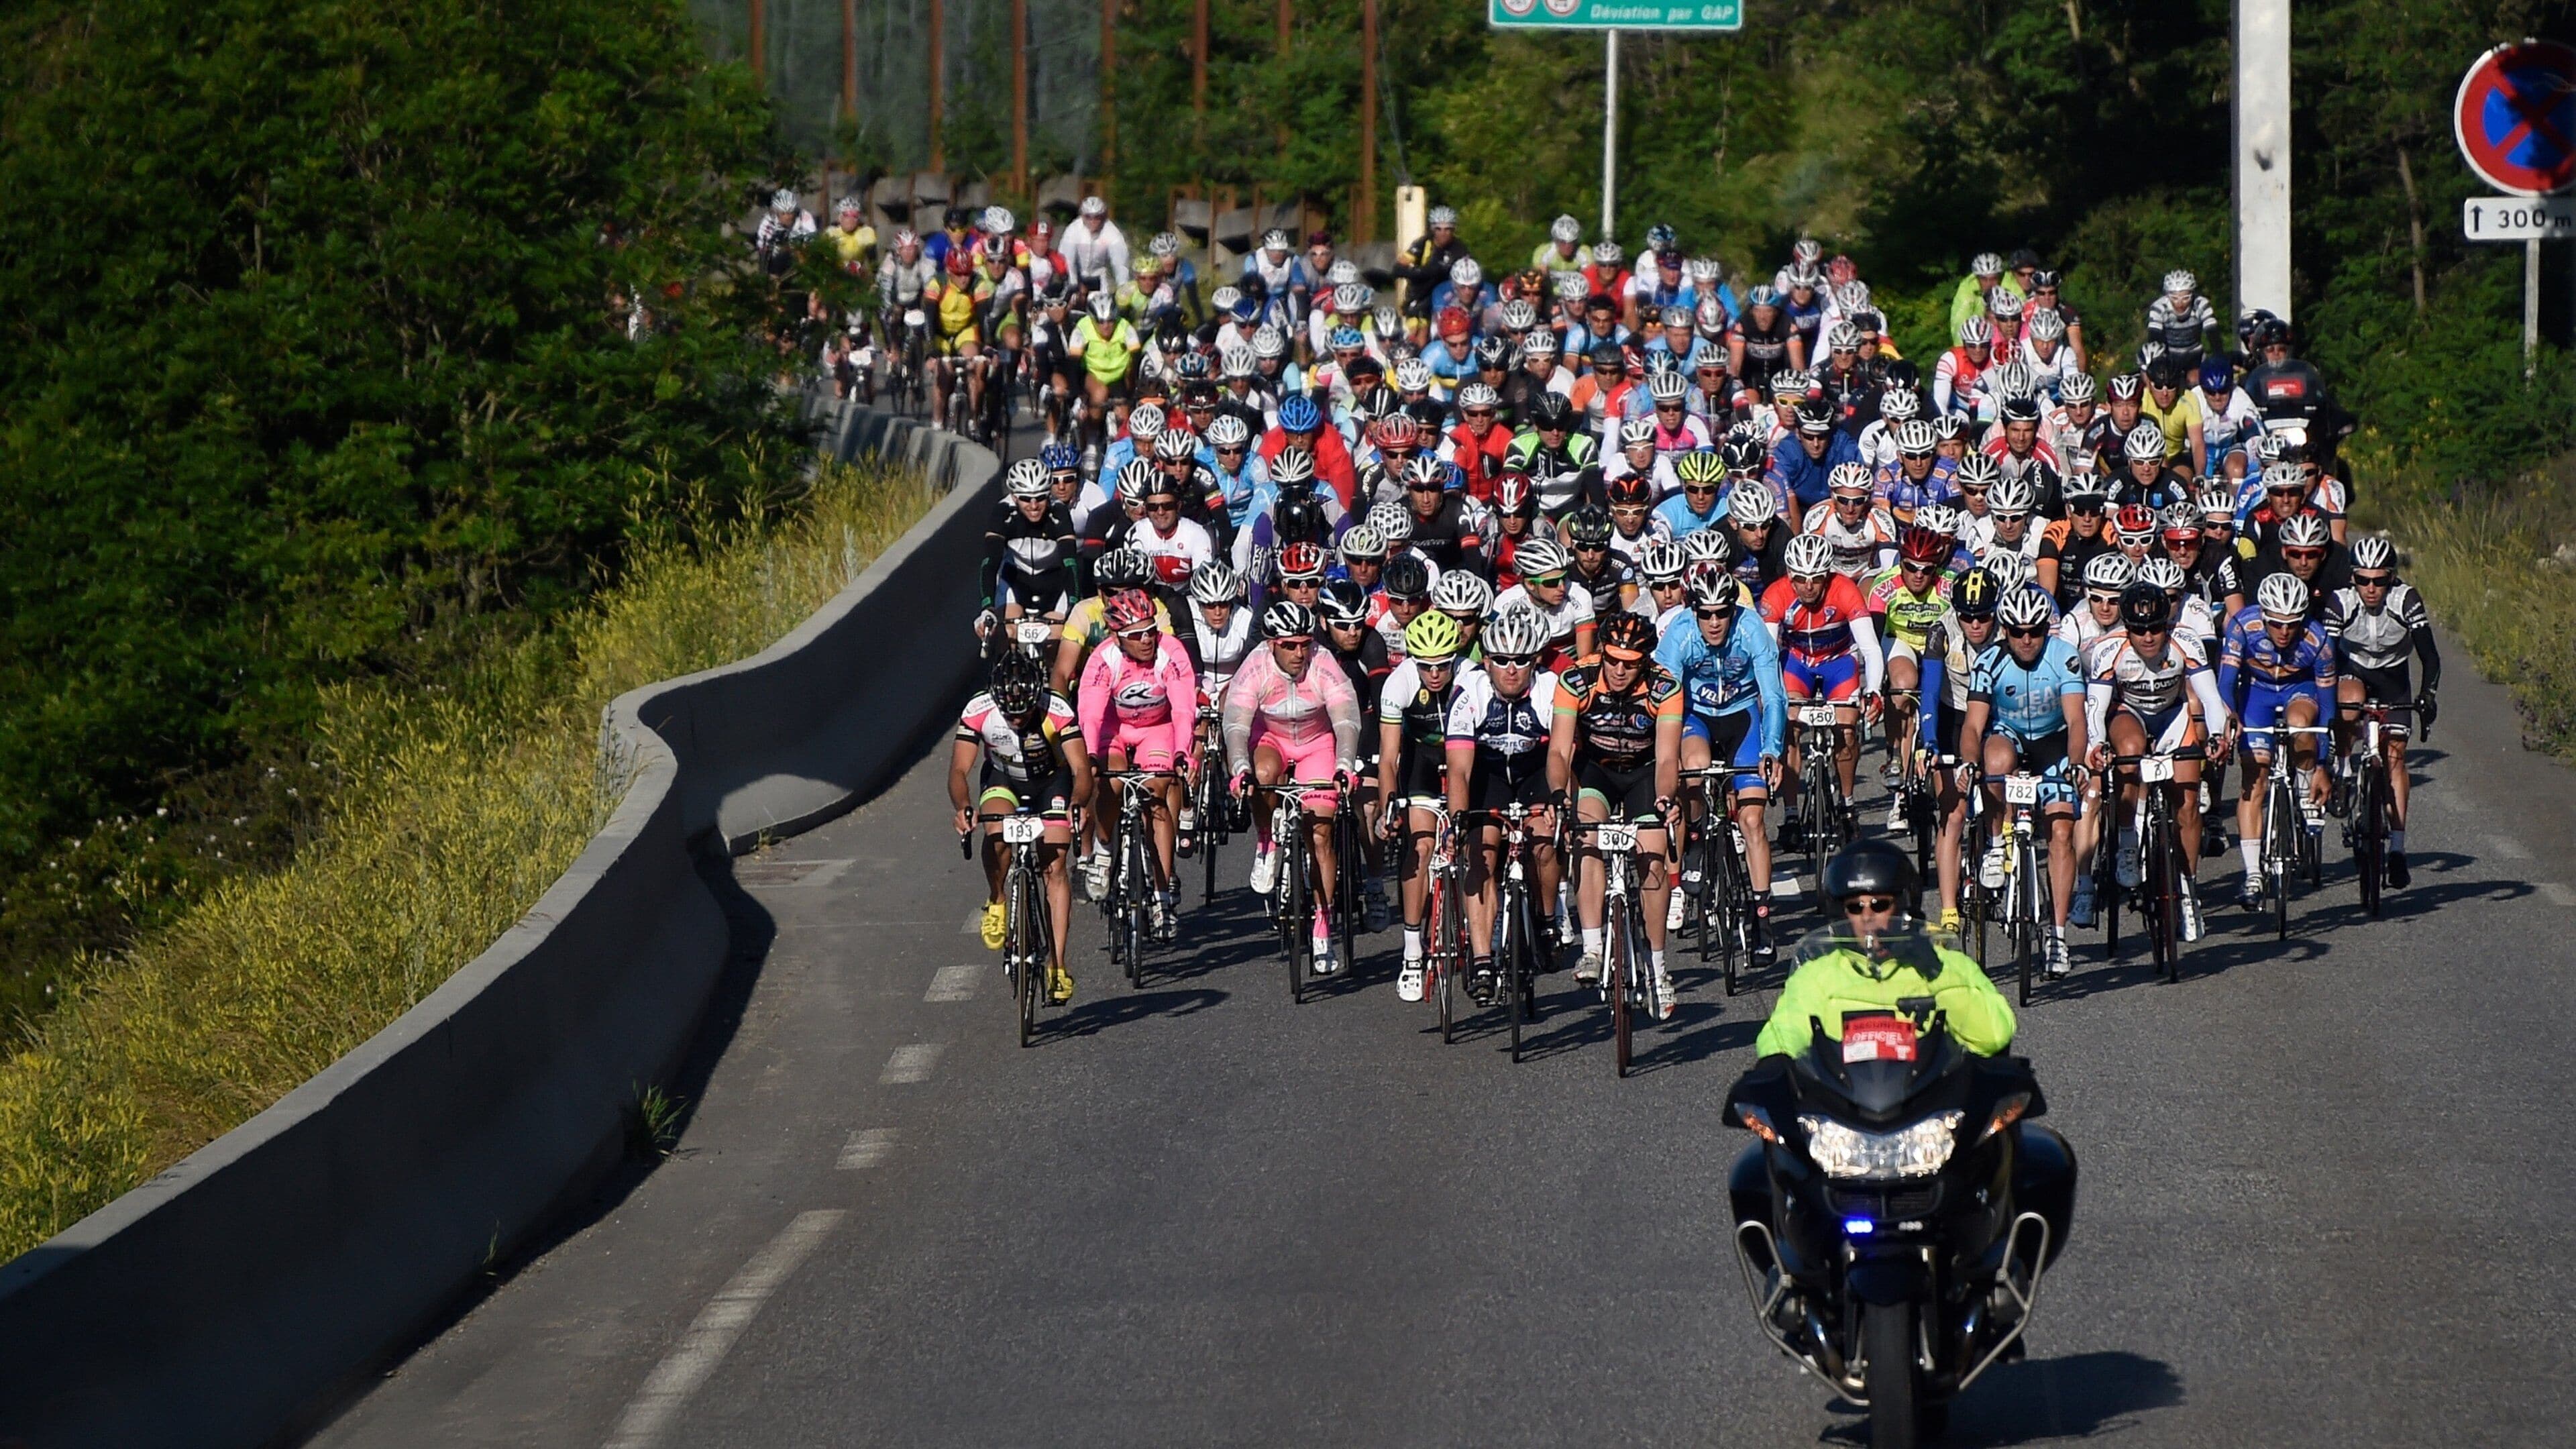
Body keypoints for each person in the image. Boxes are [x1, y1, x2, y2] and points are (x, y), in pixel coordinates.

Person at [1752, 840, 2017, 1060]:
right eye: (1855, 907)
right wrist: (1776, 1061)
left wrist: (1936, 974)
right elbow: (1785, 1029)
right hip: (1842, 1107)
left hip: (1930, 1106)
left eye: (1879, 905)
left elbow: (1994, 1035)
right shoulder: (1817, 975)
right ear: (1841, 913)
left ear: (1903, 905)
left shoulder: (1948, 965)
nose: (1867, 916)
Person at [1549, 611, 1686, 1012]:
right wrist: (1560, 793)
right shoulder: (1576, 679)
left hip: (1645, 773)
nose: (1619, 670)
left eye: (1629, 664)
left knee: (1653, 851)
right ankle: (1592, 948)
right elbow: (1558, 750)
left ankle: (1659, 968)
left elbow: (1666, 760)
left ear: (1644, 661)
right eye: (1612, 660)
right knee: (1586, 836)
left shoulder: (1665, 686)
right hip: (1598, 771)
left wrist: (1665, 799)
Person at [2084, 583, 2233, 941]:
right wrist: (2097, 745)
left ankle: (2188, 891)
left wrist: (2216, 736)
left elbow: (2211, 699)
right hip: (2129, 714)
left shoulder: (2186, 642)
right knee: (2130, 752)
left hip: (2171, 715)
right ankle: (2127, 842)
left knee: (2189, 805)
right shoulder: (2110, 649)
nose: (2148, 636)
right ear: (2127, 627)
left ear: (2167, 624)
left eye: (2155, 628)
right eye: (2139, 629)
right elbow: (2096, 708)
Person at [1224, 600, 1364, 974]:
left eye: (1305, 643)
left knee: (1320, 834)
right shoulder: (1255, 666)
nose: (1299, 653)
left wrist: (1344, 766)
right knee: (1262, 776)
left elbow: (1347, 718)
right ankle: (1267, 839)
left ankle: (1322, 924)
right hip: (1272, 739)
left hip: (1317, 744)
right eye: (1290, 645)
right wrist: (1240, 770)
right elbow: (1236, 725)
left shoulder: (1323, 663)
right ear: (1272, 644)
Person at [1658, 572, 1789, 961]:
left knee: (1751, 820)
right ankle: (1696, 840)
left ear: (1733, 610)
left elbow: (1774, 697)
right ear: (1694, 611)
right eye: (1706, 614)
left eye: (1722, 614)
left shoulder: (1751, 630)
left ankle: (1762, 919)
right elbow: (1664, 698)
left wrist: (1772, 750)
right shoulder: (1680, 634)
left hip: (1742, 718)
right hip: (1697, 717)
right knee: (1695, 769)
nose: (1714, 623)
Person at [951, 653, 1093, 1005]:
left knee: (1056, 866)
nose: (1017, 719)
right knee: (996, 833)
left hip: (1051, 783)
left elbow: (1080, 768)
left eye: (1025, 712)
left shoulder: (1057, 708)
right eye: (1009, 713)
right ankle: (997, 899)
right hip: (1004, 780)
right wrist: (963, 808)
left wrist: (1077, 802)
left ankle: (1058, 965)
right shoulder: (979, 709)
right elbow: (959, 771)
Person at [1962, 582, 2089, 974]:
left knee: (2063, 833)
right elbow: (1972, 725)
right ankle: (1998, 843)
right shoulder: (1989, 662)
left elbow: (2076, 721)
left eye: (2035, 630)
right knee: (1995, 758)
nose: (2027, 639)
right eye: (2018, 632)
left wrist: (2077, 762)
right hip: (2010, 738)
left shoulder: (2064, 657)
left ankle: (2058, 935)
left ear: (2047, 630)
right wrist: (1970, 763)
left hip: (2053, 743)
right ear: (2005, 631)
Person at [1445, 606, 1567, 1004]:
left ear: (1535, 661)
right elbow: (1460, 771)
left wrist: (1555, 797)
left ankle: (1548, 918)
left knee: (1544, 842)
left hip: (1535, 773)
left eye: (1520, 661)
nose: (1511, 669)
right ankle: (1482, 959)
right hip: (1489, 777)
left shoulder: (1550, 688)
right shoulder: (1469, 694)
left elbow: (1559, 757)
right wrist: (1457, 820)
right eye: (1501, 660)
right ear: (1487, 661)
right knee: (1481, 855)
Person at [2322, 535, 2440, 888]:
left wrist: (2427, 696)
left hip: (2393, 676)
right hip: (2352, 668)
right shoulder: (2341, 603)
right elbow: (2325, 660)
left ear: (2392, 578)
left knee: (2395, 758)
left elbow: (2430, 656)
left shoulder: (2406, 600)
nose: (2371, 589)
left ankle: (2398, 851)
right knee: (2348, 705)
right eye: (2363, 580)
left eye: (2379, 581)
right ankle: (2343, 770)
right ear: (2353, 578)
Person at [1762, 533, 1886, 845]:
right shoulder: (1776, 595)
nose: (1808, 586)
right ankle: (1791, 814)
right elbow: (1765, 654)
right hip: (1797, 663)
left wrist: (1873, 690)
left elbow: (1870, 648)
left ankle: (1847, 805)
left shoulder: (1844, 589)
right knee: (1788, 726)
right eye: (1801, 578)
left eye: (1816, 578)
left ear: (1827, 574)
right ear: (1790, 574)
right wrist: (1770, 698)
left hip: (1838, 662)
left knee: (1846, 730)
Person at [1379, 610, 1470, 1002]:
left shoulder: (1471, 678)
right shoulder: (1397, 684)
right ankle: (1413, 952)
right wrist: (1389, 807)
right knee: (1420, 846)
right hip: (1422, 764)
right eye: (1427, 666)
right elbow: (1388, 759)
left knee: (1473, 841)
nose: (1435, 674)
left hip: (1464, 759)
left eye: (1443, 665)